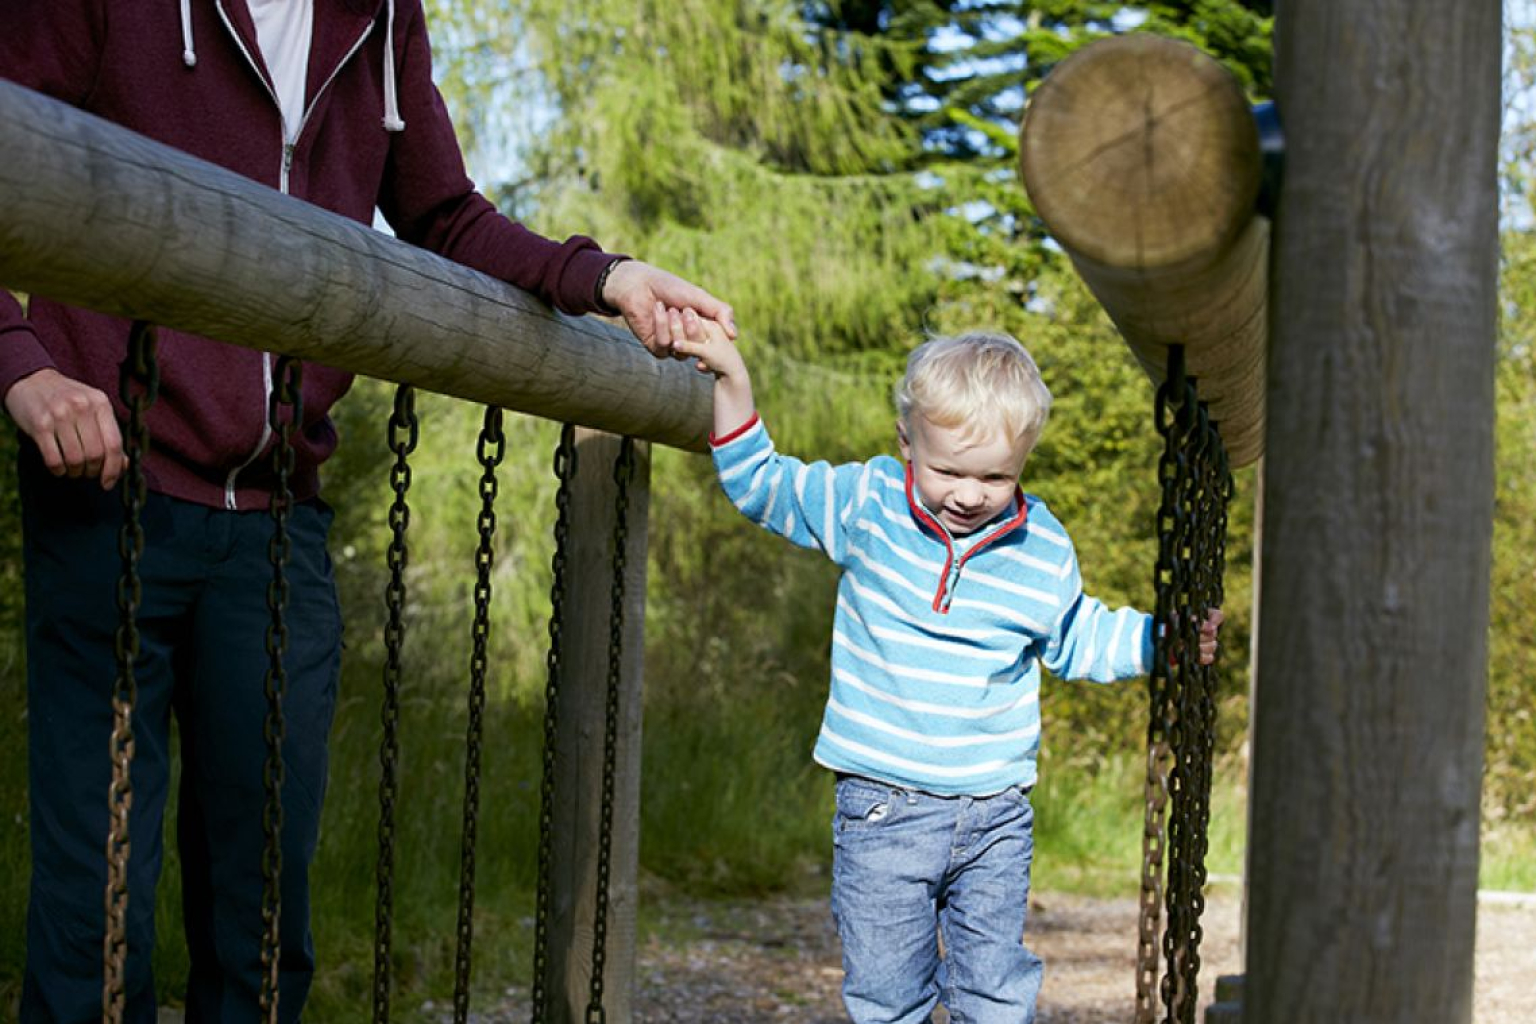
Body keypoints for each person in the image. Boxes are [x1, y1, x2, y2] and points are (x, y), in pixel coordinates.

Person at [0, 2, 735, 1021]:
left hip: (277, 518)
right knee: (96, 915)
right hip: (108, 492)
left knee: (264, 919)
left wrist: (605, 277)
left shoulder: (380, 16)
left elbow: (444, 214)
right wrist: (20, 364)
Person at [666, 310, 1222, 1024]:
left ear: (1023, 463)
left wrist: (1162, 641)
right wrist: (732, 379)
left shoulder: (1041, 547)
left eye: (995, 476)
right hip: (882, 809)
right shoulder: (868, 505)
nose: (968, 493)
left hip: (995, 815)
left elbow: (1079, 636)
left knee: (995, 992)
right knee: (887, 993)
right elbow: (763, 485)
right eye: (948, 470)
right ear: (907, 443)